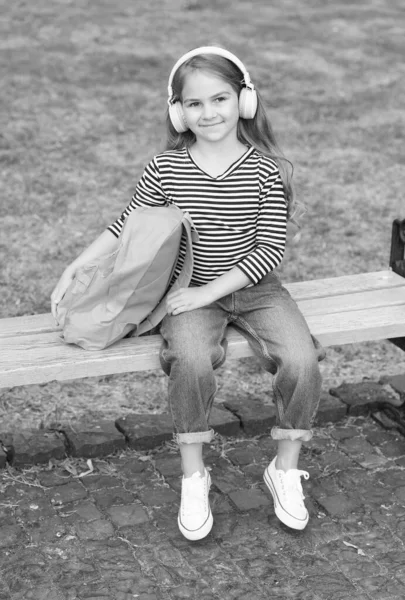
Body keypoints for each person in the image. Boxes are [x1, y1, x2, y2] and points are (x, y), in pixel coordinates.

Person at [51, 46, 324, 542]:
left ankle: (285, 468)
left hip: (256, 289)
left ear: (244, 101)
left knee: (302, 360)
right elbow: (127, 226)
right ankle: (194, 475)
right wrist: (78, 264)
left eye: (220, 99)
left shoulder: (269, 169)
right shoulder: (166, 166)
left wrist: (207, 296)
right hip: (188, 291)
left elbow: (268, 254)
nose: (209, 112)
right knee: (192, 360)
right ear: (178, 111)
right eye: (194, 104)